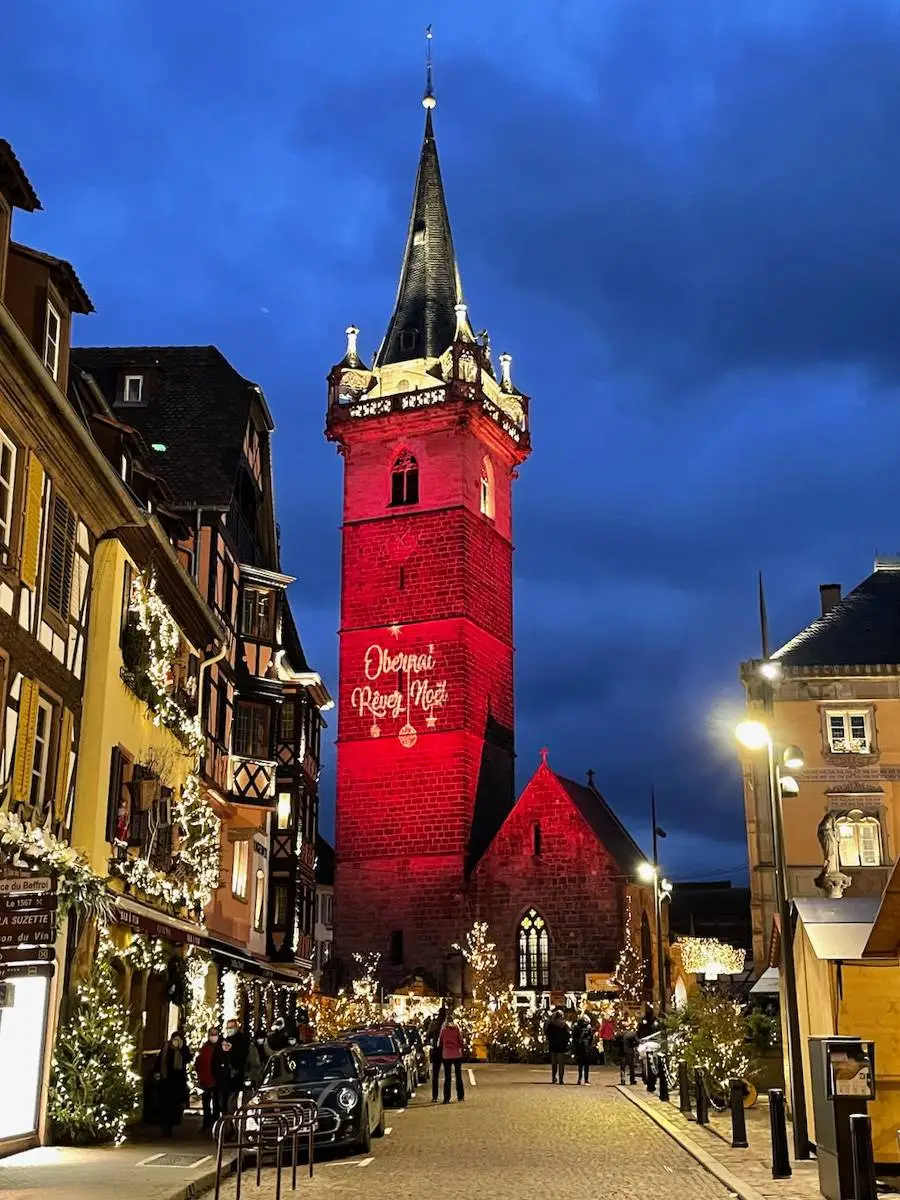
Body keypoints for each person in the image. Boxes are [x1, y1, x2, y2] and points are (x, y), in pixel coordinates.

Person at [152, 1031, 193, 1136]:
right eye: (174, 1039)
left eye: (178, 1040)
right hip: (166, 1080)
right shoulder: (166, 1047)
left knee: (174, 1106)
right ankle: (165, 1128)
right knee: (165, 1105)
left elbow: (188, 1058)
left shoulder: (184, 1049)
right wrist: (156, 1072)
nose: (175, 1042)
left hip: (177, 1082)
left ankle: (171, 1124)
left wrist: (181, 1048)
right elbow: (160, 1060)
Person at [195, 1026, 221, 1130]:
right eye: (212, 1034)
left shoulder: (220, 1047)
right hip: (206, 1081)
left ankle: (215, 1124)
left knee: (217, 1104)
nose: (214, 1037)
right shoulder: (205, 1048)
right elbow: (199, 1063)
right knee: (206, 1104)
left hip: (217, 1080)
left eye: (215, 1034)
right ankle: (206, 1124)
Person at [439, 1010, 465, 1104]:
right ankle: (460, 1096)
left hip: (446, 1055)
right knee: (458, 1076)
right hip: (457, 1054)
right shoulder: (457, 1029)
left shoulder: (443, 1030)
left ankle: (447, 1097)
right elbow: (460, 1041)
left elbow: (440, 1042)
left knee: (447, 1077)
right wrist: (460, 1047)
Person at [545, 1007, 570, 1084]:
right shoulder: (564, 1025)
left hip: (553, 1045)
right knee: (561, 1064)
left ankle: (553, 1078)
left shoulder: (550, 1024)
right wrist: (566, 1044)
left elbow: (546, 1033)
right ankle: (561, 1079)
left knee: (554, 1064)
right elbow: (567, 1035)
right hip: (561, 1046)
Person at [571, 1010, 595, 1085]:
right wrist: (590, 1045)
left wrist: (575, 1045)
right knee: (586, 1064)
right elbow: (591, 1037)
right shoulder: (588, 1027)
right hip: (586, 1046)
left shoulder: (576, 1026)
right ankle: (586, 1079)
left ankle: (579, 1078)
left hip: (579, 1046)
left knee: (580, 1064)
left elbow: (573, 1037)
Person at [429, 1004, 447, 1103]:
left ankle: (435, 1096)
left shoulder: (434, 1023)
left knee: (435, 1075)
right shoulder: (447, 1025)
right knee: (447, 1074)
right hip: (446, 1050)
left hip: (436, 1049)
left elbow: (428, 1034)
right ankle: (446, 1097)